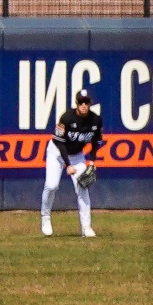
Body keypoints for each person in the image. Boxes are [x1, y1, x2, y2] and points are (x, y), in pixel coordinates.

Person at [42, 86, 102, 239]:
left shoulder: (95, 120)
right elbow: (59, 141)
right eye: (81, 102)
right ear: (76, 103)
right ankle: (45, 217)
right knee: (52, 185)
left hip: (77, 155)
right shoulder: (67, 117)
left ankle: (86, 227)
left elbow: (96, 141)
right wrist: (68, 165)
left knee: (83, 187)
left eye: (86, 102)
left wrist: (92, 161)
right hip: (57, 152)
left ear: (90, 103)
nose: (83, 105)